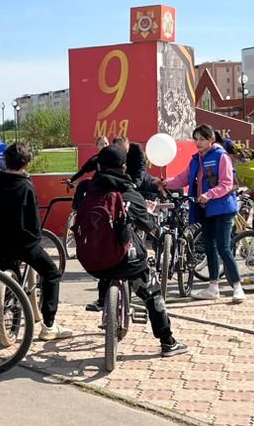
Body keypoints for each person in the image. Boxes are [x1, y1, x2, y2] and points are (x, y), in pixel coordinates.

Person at [74, 146, 186, 355]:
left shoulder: (86, 189)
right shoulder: (130, 193)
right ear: (123, 167)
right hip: (128, 261)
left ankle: (102, 299)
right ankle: (167, 341)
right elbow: (148, 226)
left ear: (99, 166)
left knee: (107, 269)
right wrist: (151, 219)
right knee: (152, 294)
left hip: (92, 261)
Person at [0, 142, 71, 340]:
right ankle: (48, 325)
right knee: (52, 274)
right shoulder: (26, 186)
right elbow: (34, 223)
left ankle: (2, 316)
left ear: (5, 161)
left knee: (9, 274)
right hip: (23, 243)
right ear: (27, 164)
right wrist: (36, 240)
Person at [177, 125, 243, 302]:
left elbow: (227, 184)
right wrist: (162, 183)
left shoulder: (221, 156)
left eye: (202, 139)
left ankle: (237, 286)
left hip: (222, 208)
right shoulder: (196, 159)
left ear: (211, 140)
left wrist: (208, 194)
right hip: (204, 209)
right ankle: (213, 287)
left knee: (224, 248)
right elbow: (183, 178)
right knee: (209, 249)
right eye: (196, 139)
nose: (198, 142)